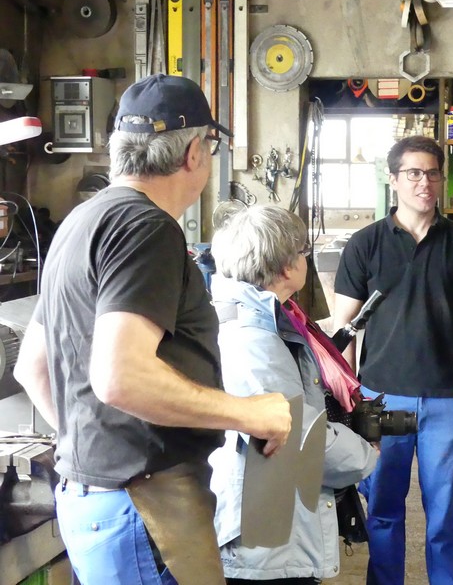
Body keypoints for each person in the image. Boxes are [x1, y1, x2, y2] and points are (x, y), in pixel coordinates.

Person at [12, 74, 292, 585]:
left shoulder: (80, 221)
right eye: (210, 147)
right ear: (194, 153)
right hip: (146, 506)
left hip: (93, 500)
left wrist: (96, 455)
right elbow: (121, 377)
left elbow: (33, 367)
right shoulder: (147, 229)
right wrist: (248, 413)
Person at [333, 135, 453, 585]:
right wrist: (348, 400)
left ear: (441, 178)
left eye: (432, 173)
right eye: (414, 173)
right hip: (380, 400)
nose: (425, 182)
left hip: (448, 400)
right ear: (394, 179)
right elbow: (344, 329)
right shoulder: (365, 244)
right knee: (383, 513)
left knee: (444, 519)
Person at [208, 205, 379, 584]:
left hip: (273, 519)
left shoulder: (272, 321)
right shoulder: (254, 338)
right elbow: (297, 437)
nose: (306, 259)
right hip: (267, 534)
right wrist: (364, 454)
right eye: (303, 251)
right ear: (286, 267)